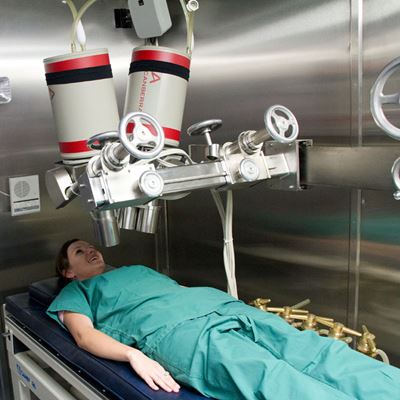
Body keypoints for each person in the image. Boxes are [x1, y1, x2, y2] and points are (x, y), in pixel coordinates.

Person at [47, 239, 400, 400]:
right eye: (79, 251)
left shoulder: (136, 268)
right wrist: (133, 355)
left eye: (92, 245)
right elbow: (84, 337)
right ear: (68, 271)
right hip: (179, 334)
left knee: (317, 351)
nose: (91, 250)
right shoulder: (78, 293)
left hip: (222, 306)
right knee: (272, 378)